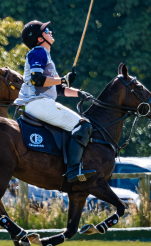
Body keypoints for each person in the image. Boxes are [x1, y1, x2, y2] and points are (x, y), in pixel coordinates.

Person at [14, 20, 96, 183]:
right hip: (39, 103)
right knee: (83, 126)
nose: (51, 32)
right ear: (39, 39)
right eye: (47, 30)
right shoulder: (38, 52)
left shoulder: (45, 55)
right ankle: (73, 170)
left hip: (42, 102)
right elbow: (38, 80)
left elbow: (57, 89)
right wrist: (62, 79)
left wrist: (79, 93)